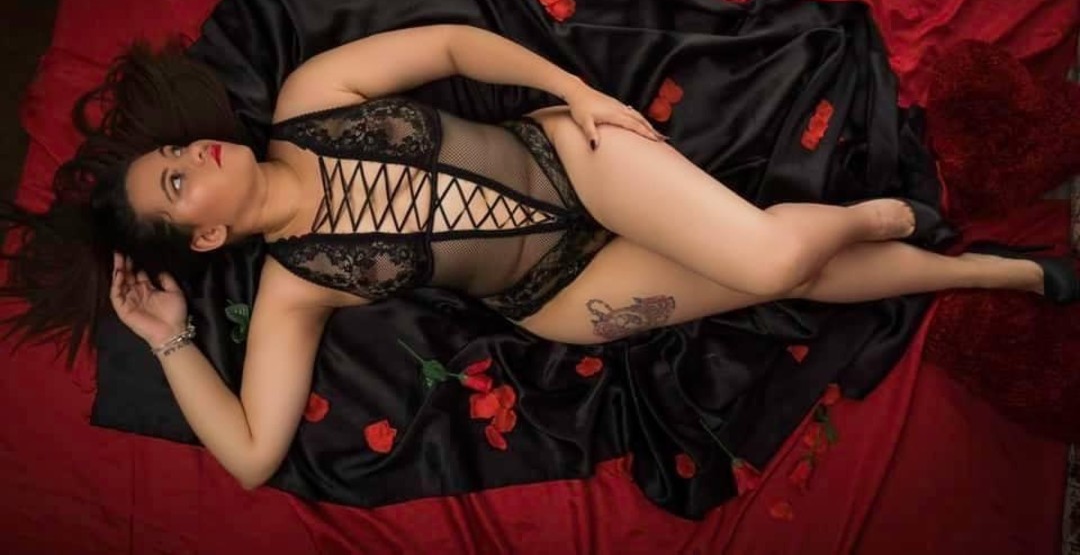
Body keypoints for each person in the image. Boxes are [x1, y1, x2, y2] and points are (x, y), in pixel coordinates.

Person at [2, 24, 1076, 491]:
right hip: (560, 292)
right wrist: (172, 338)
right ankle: (1001, 274)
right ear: (205, 236)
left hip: (575, 163)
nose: (192, 157)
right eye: (177, 184)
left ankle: (875, 213)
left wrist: (575, 92)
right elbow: (248, 454)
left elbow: (453, 45)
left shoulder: (310, 97)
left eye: (174, 153)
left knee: (764, 259)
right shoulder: (292, 289)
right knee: (781, 273)